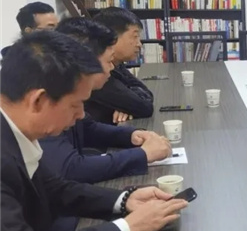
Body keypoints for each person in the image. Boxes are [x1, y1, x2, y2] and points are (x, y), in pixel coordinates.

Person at [1, 31, 187, 231]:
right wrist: (127, 228)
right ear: (38, 100)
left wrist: (125, 200)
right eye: (76, 105)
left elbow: (54, 188)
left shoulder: (16, 131)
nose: (81, 115)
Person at [39, 18, 171, 184]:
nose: (112, 67)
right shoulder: (46, 100)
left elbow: (88, 128)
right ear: (85, 63)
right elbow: (71, 169)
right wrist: (143, 155)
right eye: (108, 61)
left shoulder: (67, 89)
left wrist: (132, 136)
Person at [84, 7, 154, 124]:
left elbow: (146, 92)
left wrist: (127, 105)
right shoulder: (98, 73)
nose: (139, 44)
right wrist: (130, 103)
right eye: (134, 37)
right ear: (113, 37)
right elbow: (145, 107)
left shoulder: (116, 64)